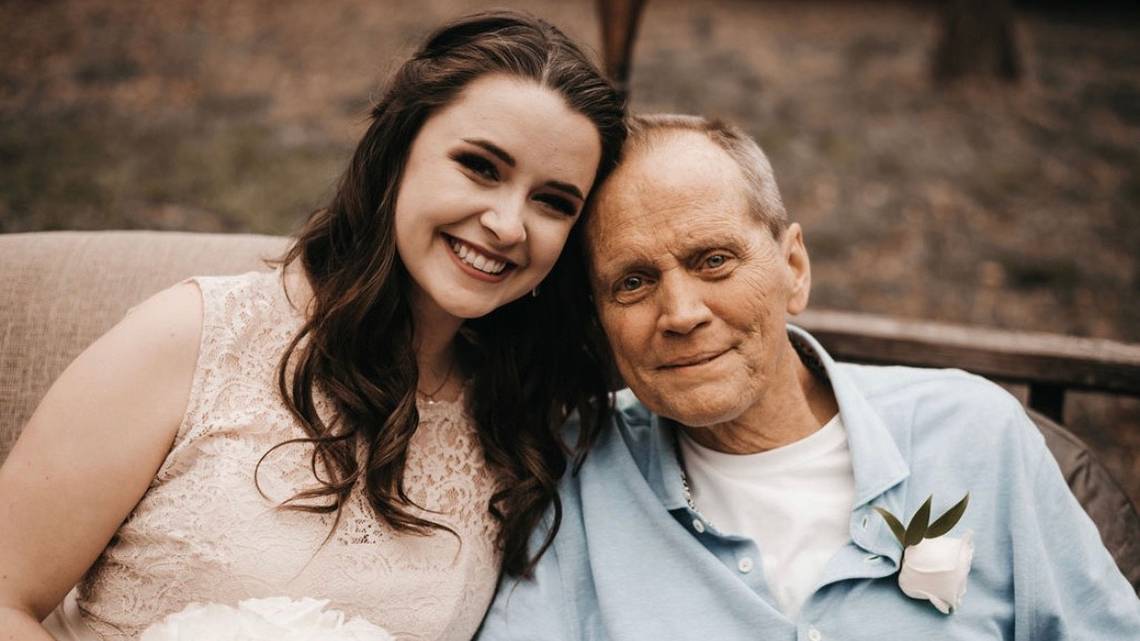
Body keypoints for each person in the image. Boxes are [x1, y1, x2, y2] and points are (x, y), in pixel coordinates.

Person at [0, 11, 625, 641]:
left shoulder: (522, 421)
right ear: (396, 156)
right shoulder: (194, 337)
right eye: (481, 167)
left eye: (553, 201)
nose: (509, 224)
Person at [477, 114, 1140, 639]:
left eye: (712, 260)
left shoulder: (976, 433)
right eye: (633, 281)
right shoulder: (568, 482)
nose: (679, 313)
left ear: (793, 267)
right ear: (597, 318)